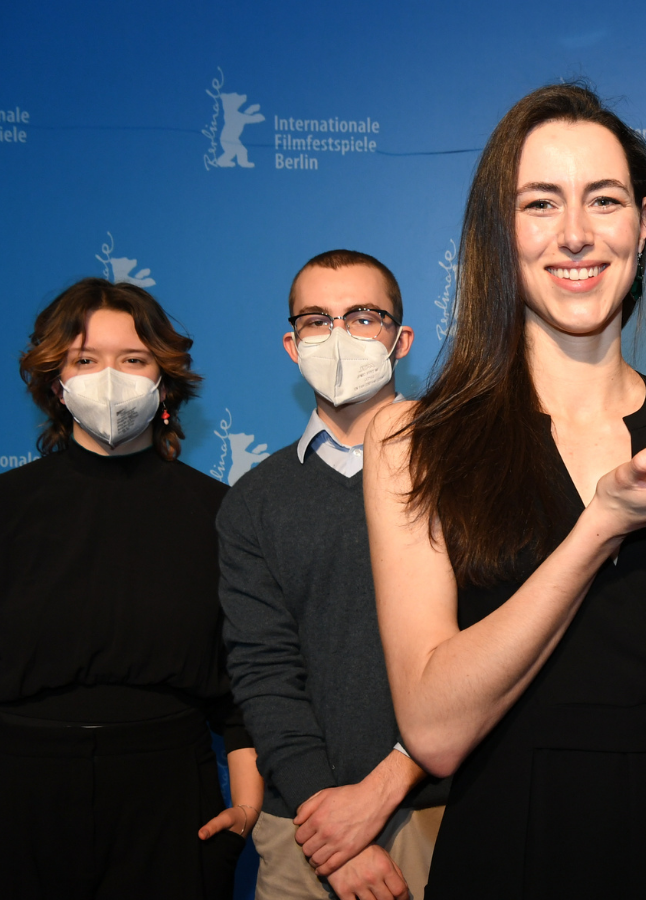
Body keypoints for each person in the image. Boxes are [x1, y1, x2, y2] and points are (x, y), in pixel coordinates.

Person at [363, 82, 646, 898]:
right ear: (501, 228)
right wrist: (602, 525)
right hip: (516, 842)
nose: (575, 235)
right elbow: (434, 729)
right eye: (540, 204)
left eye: (603, 200)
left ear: (644, 220)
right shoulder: (412, 440)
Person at [0, 278, 262, 898]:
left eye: (132, 359)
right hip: (17, 794)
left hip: (168, 795)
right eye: (86, 360)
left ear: (163, 378)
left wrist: (245, 811)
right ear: (57, 382)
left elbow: (245, 681)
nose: (109, 376)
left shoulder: (220, 513)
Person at [219, 250, 450, 900]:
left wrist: (385, 790)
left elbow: (491, 646)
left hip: (445, 811)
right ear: (293, 345)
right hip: (304, 828)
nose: (340, 336)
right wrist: (332, 826)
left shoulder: (464, 472)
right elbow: (263, 674)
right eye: (318, 321)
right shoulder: (255, 500)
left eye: (363, 317)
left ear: (401, 340)